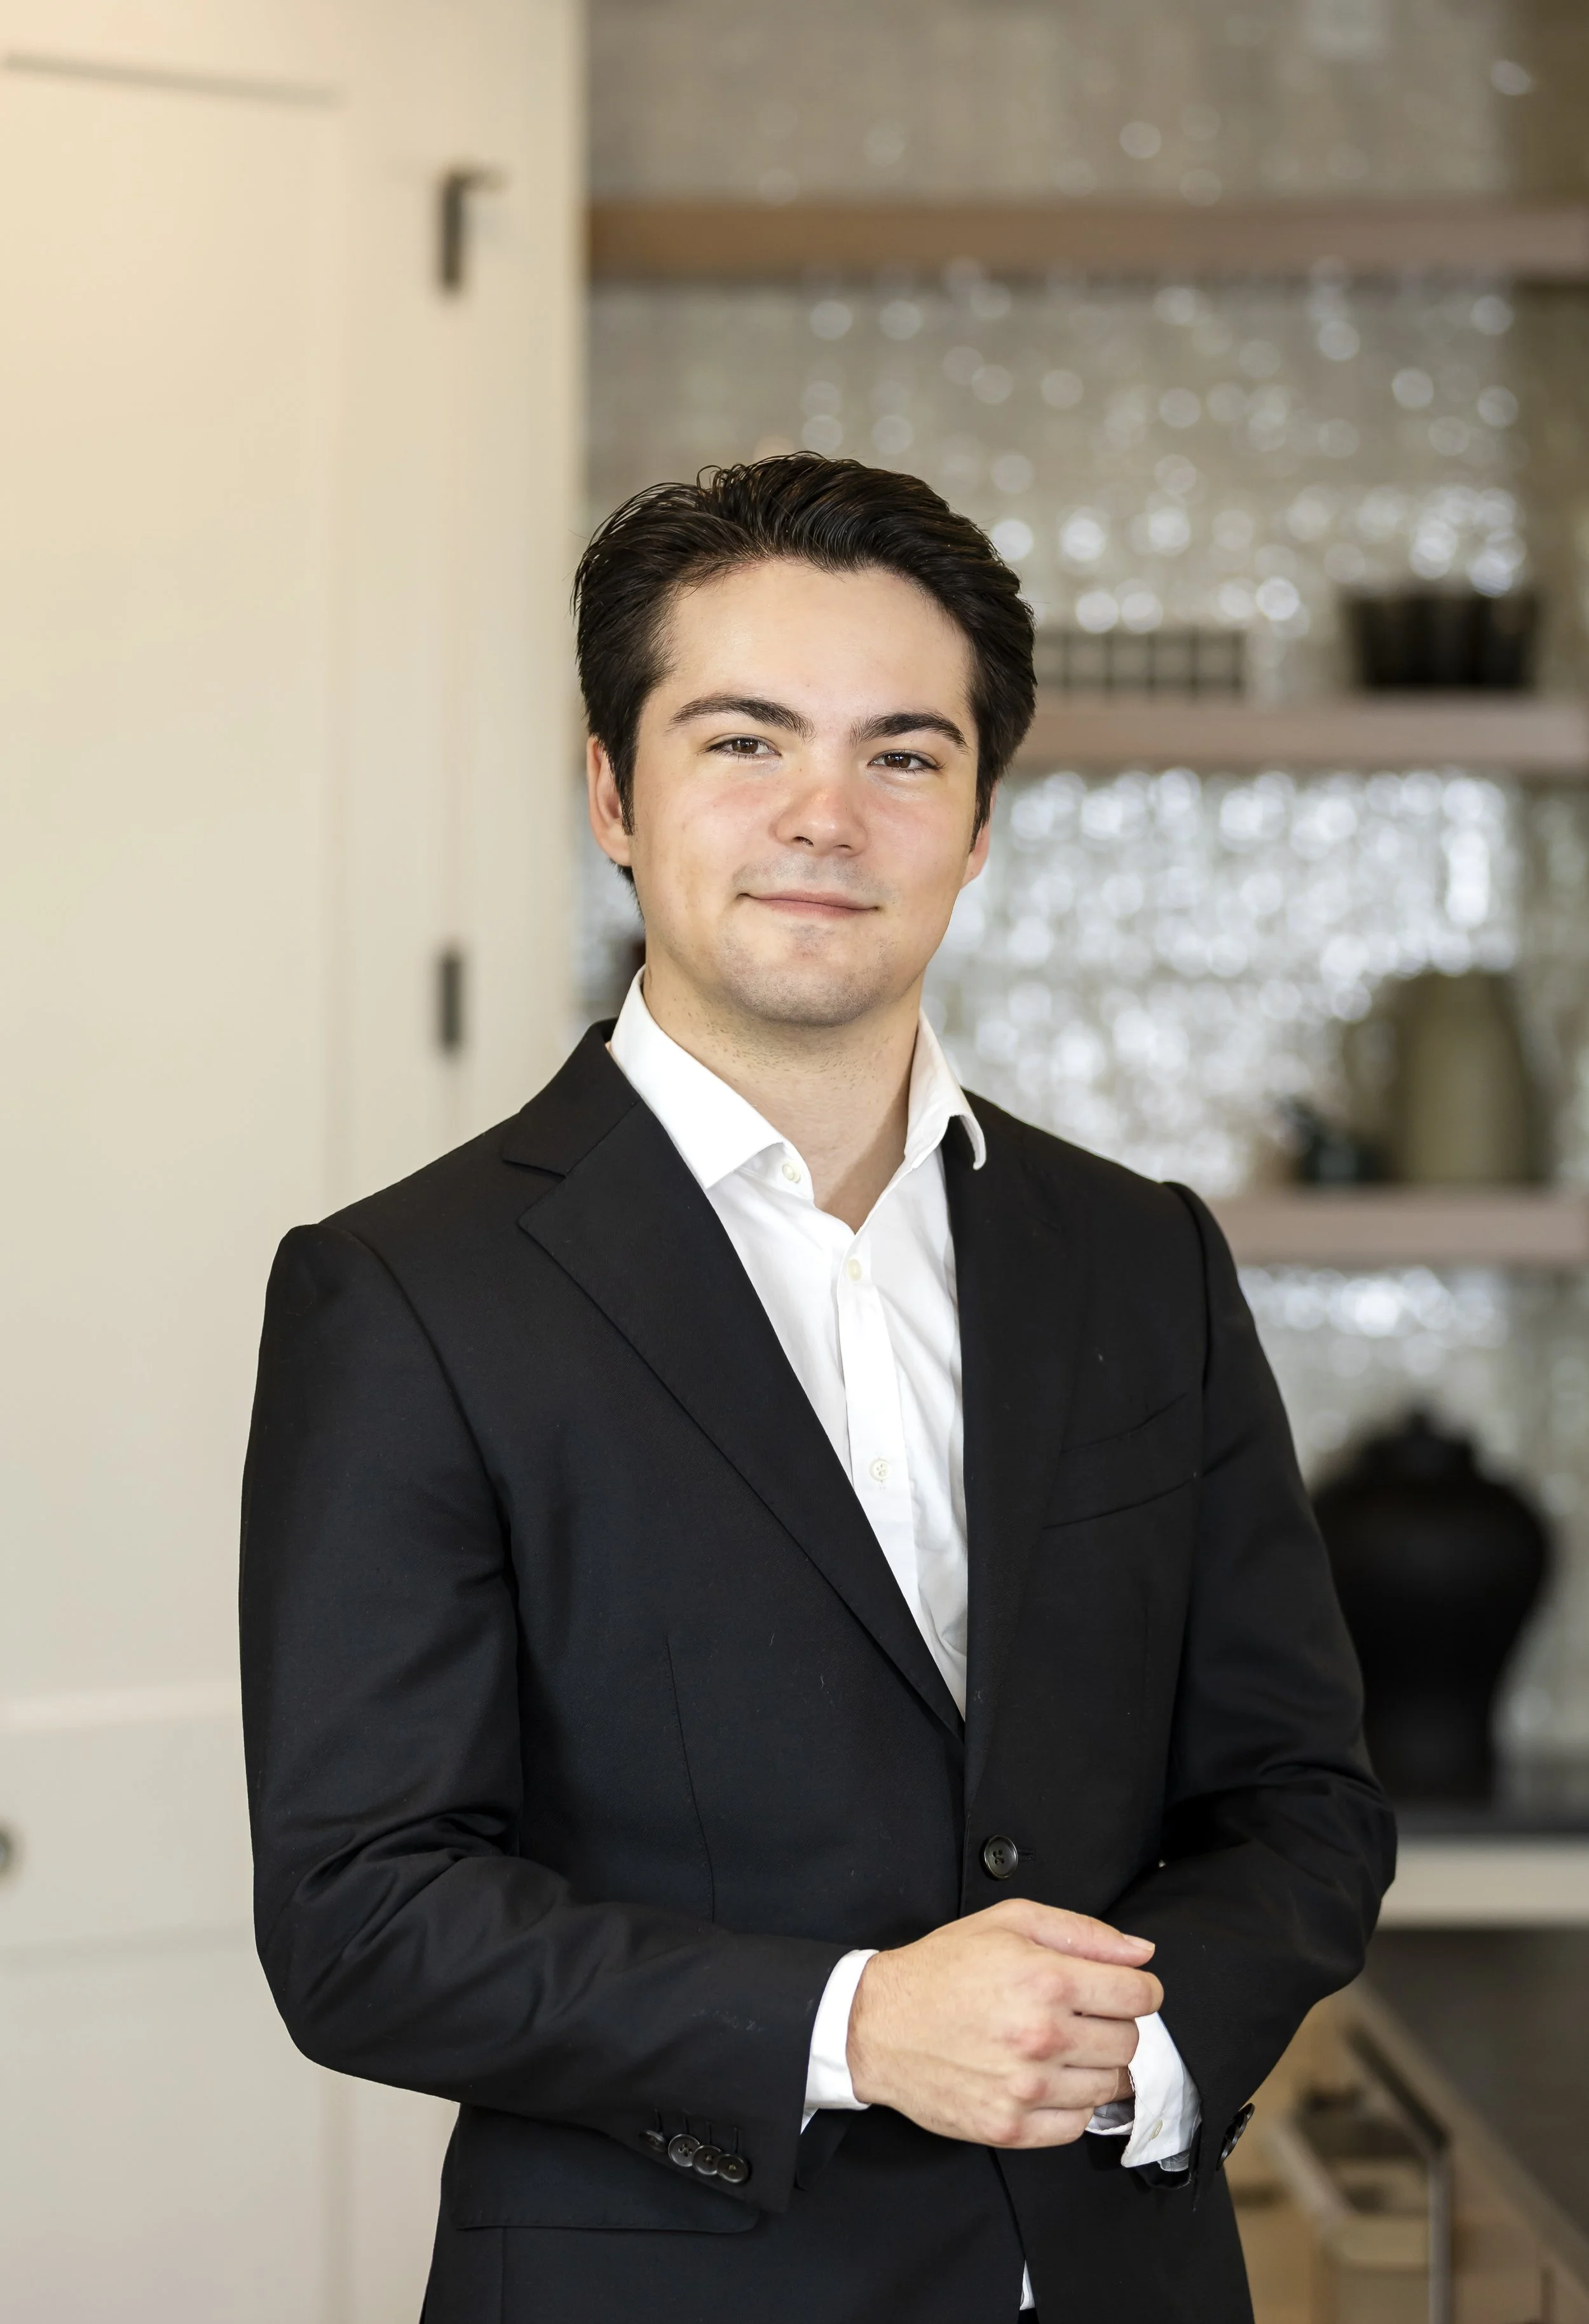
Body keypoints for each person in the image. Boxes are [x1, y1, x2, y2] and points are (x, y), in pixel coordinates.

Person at [241, 454, 1395, 2323]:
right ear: (614, 794)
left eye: (902, 755)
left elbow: (1300, 1798)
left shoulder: (1140, 1255)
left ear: (981, 818)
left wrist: (1134, 2043)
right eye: (742, 741)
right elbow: (365, 1917)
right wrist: (860, 2023)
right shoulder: (408, 1293)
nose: (824, 818)